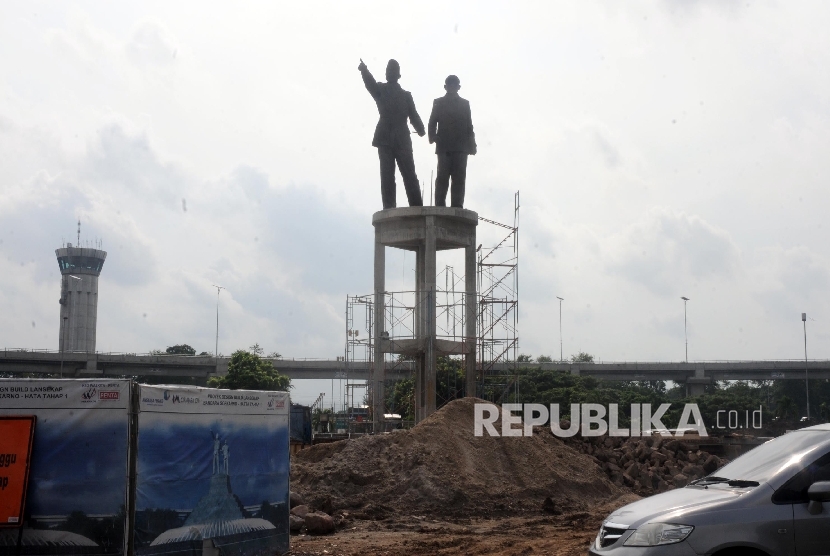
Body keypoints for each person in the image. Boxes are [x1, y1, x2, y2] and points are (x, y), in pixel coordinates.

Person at [358, 58, 426, 209]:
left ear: (397, 75)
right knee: (389, 176)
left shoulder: (404, 95)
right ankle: (392, 208)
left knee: (408, 175)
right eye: (388, 70)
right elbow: (370, 84)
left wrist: (421, 129)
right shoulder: (381, 90)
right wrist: (364, 71)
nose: (389, 73)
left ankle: (415, 207)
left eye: (392, 70)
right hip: (387, 138)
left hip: (398, 138)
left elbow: (414, 115)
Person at [427, 75, 476, 208]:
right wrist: (433, 137)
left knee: (459, 179)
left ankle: (457, 206)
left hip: (461, 147)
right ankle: (439, 206)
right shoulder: (438, 102)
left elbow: (469, 126)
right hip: (444, 146)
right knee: (442, 178)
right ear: (445, 87)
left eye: (455, 85)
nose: (452, 88)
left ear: (459, 87)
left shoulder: (465, 104)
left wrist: (472, 144)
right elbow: (432, 123)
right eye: (450, 85)